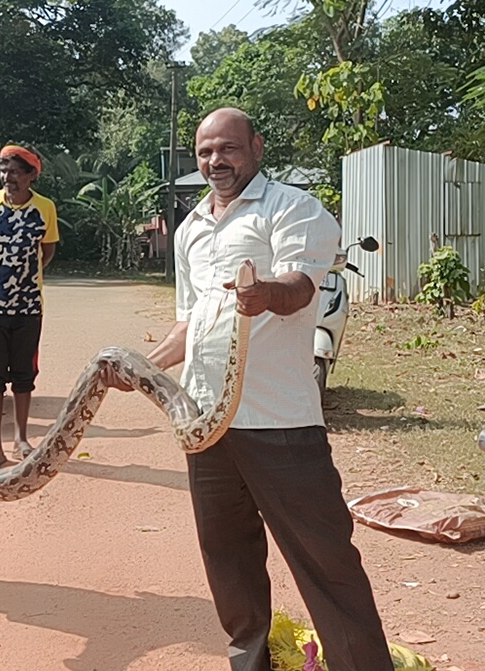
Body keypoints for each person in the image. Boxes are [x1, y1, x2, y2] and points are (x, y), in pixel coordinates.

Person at [103, 108, 392, 671]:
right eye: (206, 152)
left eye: (229, 149)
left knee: (325, 560)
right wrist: (141, 367)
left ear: (256, 147)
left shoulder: (294, 209)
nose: (217, 162)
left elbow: (301, 287)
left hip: (280, 424)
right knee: (228, 561)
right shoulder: (189, 229)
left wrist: (265, 293)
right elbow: (189, 325)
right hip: (205, 425)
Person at [0, 144, 59, 467]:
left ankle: (21, 438)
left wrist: (25, 277)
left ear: (31, 175)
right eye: (3, 170)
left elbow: (46, 251)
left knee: (24, 374)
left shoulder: (45, 208)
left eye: (15, 172)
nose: (8, 177)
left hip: (28, 306)